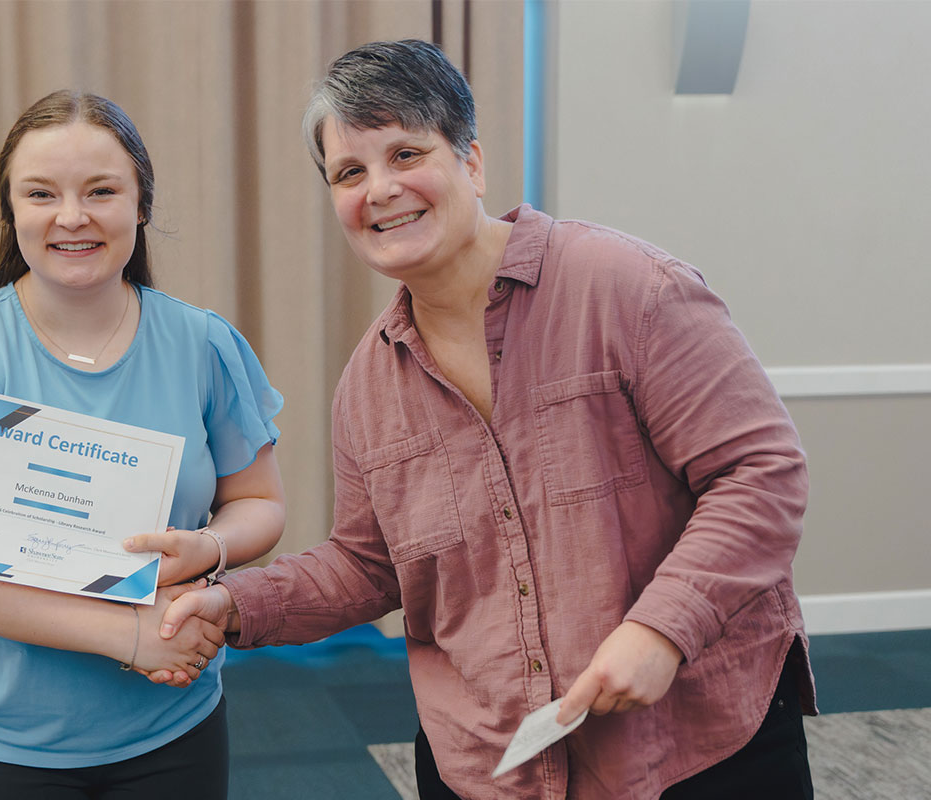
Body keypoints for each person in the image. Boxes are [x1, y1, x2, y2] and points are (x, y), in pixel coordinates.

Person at [160, 40, 816, 799]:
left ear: (471, 163)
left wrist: (660, 628)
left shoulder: (630, 290)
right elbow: (367, 564)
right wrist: (233, 604)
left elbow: (761, 475)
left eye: (406, 153)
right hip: (490, 763)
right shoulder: (367, 385)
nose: (379, 190)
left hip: (690, 746)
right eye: (349, 172)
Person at [0, 90, 285, 799]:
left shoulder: (203, 344)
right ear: (12, 209)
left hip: (173, 716)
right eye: (40, 193)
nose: (71, 217)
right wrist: (129, 636)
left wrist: (209, 548)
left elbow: (259, 502)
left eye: (101, 191)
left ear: (141, 203)